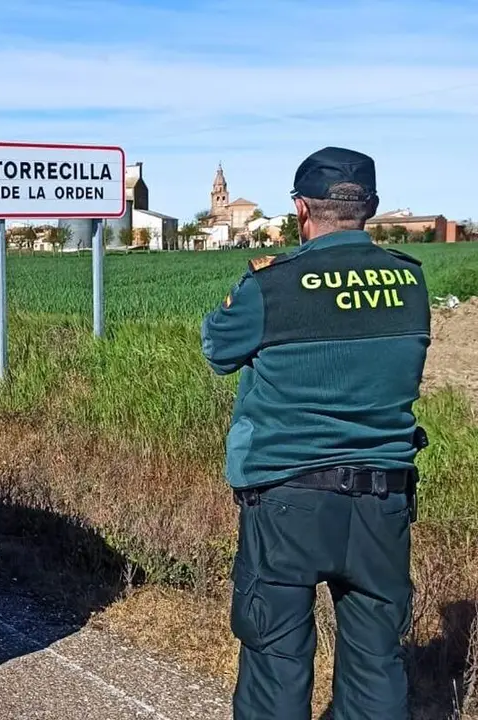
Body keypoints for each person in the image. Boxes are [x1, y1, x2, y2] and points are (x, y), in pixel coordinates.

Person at [200, 146, 431, 720]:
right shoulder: (410, 284)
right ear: (370, 208)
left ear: (302, 209)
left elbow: (218, 348)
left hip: (288, 500)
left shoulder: (272, 286)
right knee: (377, 660)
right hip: (384, 501)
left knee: (276, 659)